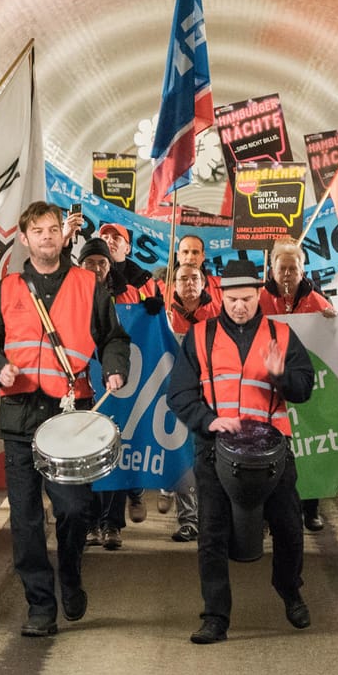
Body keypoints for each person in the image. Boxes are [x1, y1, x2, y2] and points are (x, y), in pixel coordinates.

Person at [0, 201, 131, 637]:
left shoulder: (88, 285)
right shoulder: (3, 291)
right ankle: (40, 606)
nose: (46, 236)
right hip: (20, 416)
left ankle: (72, 576)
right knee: (24, 520)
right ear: (23, 238)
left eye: (53, 229)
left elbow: (113, 337)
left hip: (70, 415)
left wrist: (115, 366)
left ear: (64, 235)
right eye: (37, 230)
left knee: (76, 509)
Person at [167, 259, 315, 644]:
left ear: (258, 296)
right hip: (215, 450)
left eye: (247, 299)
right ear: (221, 297)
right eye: (232, 299)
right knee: (211, 534)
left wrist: (281, 375)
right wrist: (208, 420)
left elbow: (304, 388)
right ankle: (215, 616)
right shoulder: (199, 337)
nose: (239, 307)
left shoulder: (281, 335)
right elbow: (179, 394)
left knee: (288, 527)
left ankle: (290, 590)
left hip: (272, 450)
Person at [75, 237, 160, 549]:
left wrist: (151, 312)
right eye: (90, 262)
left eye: (102, 262)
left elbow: (132, 334)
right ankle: (91, 522)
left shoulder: (129, 292)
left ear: (110, 265)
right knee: (87, 460)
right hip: (83, 388)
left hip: (119, 386)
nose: (96, 268)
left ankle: (112, 525)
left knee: (116, 456)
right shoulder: (70, 293)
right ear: (80, 265)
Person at [260, 239, 335, 532]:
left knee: (310, 448)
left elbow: (334, 336)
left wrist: (332, 319)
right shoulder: (258, 299)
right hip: (268, 387)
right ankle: (267, 513)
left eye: (294, 268)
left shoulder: (317, 301)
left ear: (303, 270)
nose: (288, 274)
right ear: (272, 269)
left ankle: (311, 508)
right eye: (283, 268)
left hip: (305, 387)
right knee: (268, 449)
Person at [162, 262, 220, 541]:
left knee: (207, 461)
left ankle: (212, 521)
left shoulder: (218, 313)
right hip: (174, 397)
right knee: (182, 457)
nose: (188, 283)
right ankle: (189, 520)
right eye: (182, 279)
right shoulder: (162, 314)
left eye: (194, 278)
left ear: (204, 282)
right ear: (173, 284)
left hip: (210, 398)